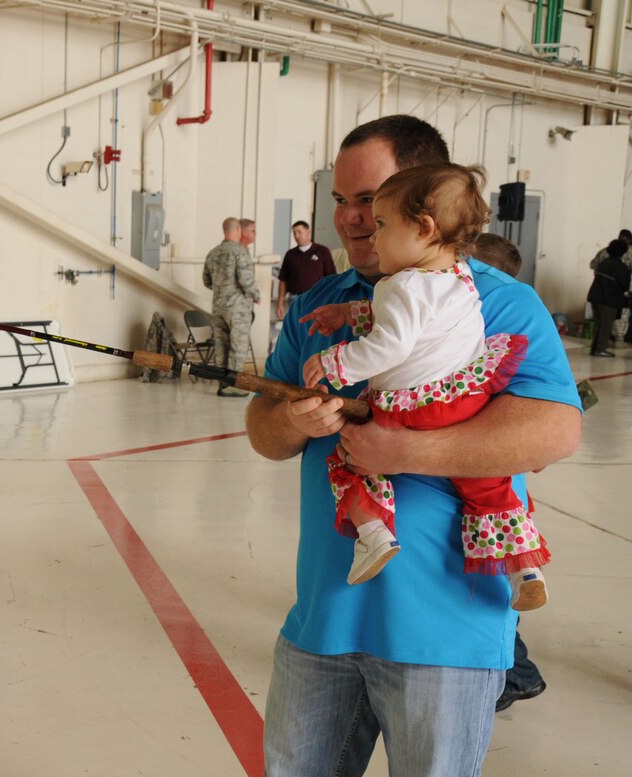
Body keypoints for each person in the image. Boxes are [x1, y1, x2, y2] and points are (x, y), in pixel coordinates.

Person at [246, 114, 581, 776]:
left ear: (423, 206)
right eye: (339, 200)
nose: (350, 218)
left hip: (447, 638)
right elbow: (264, 426)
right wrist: (296, 424)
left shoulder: (497, 304)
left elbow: (554, 431)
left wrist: (400, 453)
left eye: (370, 199)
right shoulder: (325, 305)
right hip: (322, 624)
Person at [299, 163, 549, 606]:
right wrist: (347, 314)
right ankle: (523, 568)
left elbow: (391, 345)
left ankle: (373, 535)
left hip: (409, 407)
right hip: (464, 399)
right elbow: (419, 324)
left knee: (349, 460)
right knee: (488, 485)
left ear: (423, 227)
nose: (372, 237)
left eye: (381, 224)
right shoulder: (458, 277)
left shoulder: (401, 284)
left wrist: (334, 360)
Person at [470, 233, 549, 711]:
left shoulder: (509, 331)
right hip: (500, 492)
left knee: (502, 584)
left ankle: (519, 674)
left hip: (499, 489)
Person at [203, 217, 261, 397]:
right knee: (238, 347)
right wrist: (256, 295)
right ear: (237, 230)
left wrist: (222, 291)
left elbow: (206, 281)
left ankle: (222, 384)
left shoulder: (213, 253)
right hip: (238, 310)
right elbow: (245, 280)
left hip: (218, 308)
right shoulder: (239, 252)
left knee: (221, 347)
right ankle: (234, 385)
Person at [275, 220, 336, 322]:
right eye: (294, 233)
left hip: (317, 298)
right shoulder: (290, 254)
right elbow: (283, 280)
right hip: (295, 299)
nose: (296, 236)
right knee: (297, 328)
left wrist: (332, 300)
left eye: (299, 232)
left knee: (316, 328)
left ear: (308, 231)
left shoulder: (322, 251)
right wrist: (280, 303)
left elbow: (331, 278)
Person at [587, 238, 632, 357]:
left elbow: (593, 266)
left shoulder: (604, 262)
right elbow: (625, 286)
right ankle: (600, 349)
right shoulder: (621, 267)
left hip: (595, 296)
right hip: (608, 300)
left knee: (598, 324)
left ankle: (594, 348)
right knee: (605, 325)